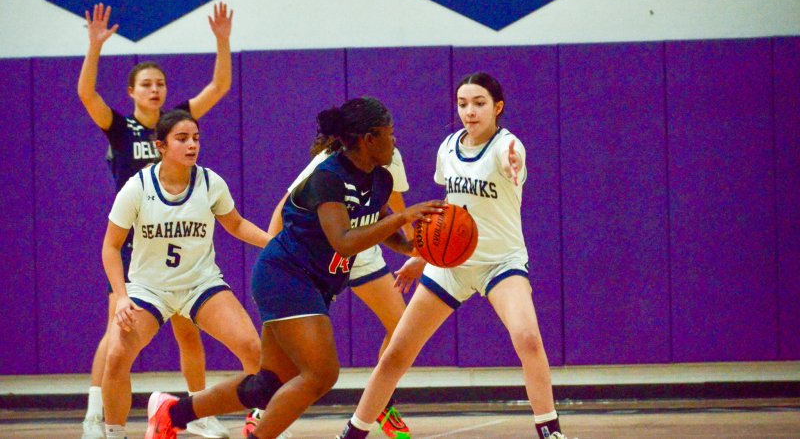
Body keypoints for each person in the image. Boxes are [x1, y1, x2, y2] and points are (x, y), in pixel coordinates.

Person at [143, 97, 446, 439]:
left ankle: (173, 412)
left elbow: (376, 219)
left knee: (266, 385)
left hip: (314, 283)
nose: (395, 141)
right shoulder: (328, 177)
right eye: (390, 134)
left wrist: (417, 247)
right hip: (284, 275)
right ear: (369, 139)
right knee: (321, 374)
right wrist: (405, 216)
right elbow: (344, 241)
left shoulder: (381, 181)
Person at [336, 73, 573, 439]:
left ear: (497, 108)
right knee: (397, 352)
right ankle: (353, 432)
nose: (470, 111)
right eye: (463, 104)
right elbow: (451, 209)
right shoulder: (448, 147)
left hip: (500, 262)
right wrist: (423, 255)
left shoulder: (506, 147)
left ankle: (550, 431)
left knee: (527, 338)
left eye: (479, 103)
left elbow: (515, 164)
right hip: (451, 264)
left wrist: (516, 166)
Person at [77, 2, 236, 438]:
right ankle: (97, 413)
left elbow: (220, 84)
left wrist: (222, 41)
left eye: (160, 83)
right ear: (131, 91)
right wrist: (94, 47)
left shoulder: (177, 123)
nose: (155, 90)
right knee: (117, 334)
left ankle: (199, 412)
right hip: (133, 241)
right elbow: (87, 96)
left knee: (190, 332)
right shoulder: (119, 127)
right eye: (146, 84)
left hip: (177, 238)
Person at [101, 110, 269, 439]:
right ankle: (113, 431)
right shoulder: (137, 188)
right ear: (160, 146)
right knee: (118, 355)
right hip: (150, 289)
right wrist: (121, 297)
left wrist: (274, 243)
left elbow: (235, 224)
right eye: (182, 139)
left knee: (253, 347)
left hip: (199, 284)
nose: (192, 145)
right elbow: (110, 246)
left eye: (196, 138)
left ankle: (261, 422)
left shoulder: (210, 182)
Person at [242, 146, 417, 438]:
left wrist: (419, 247)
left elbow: (392, 204)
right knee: (292, 353)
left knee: (401, 328)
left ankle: (380, 401)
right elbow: (286, 202)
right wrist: (276, 255)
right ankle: (261, 411)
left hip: (361, 251)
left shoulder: (390, 156)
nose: (390, 135)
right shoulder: (329, 162)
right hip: (319, 253)